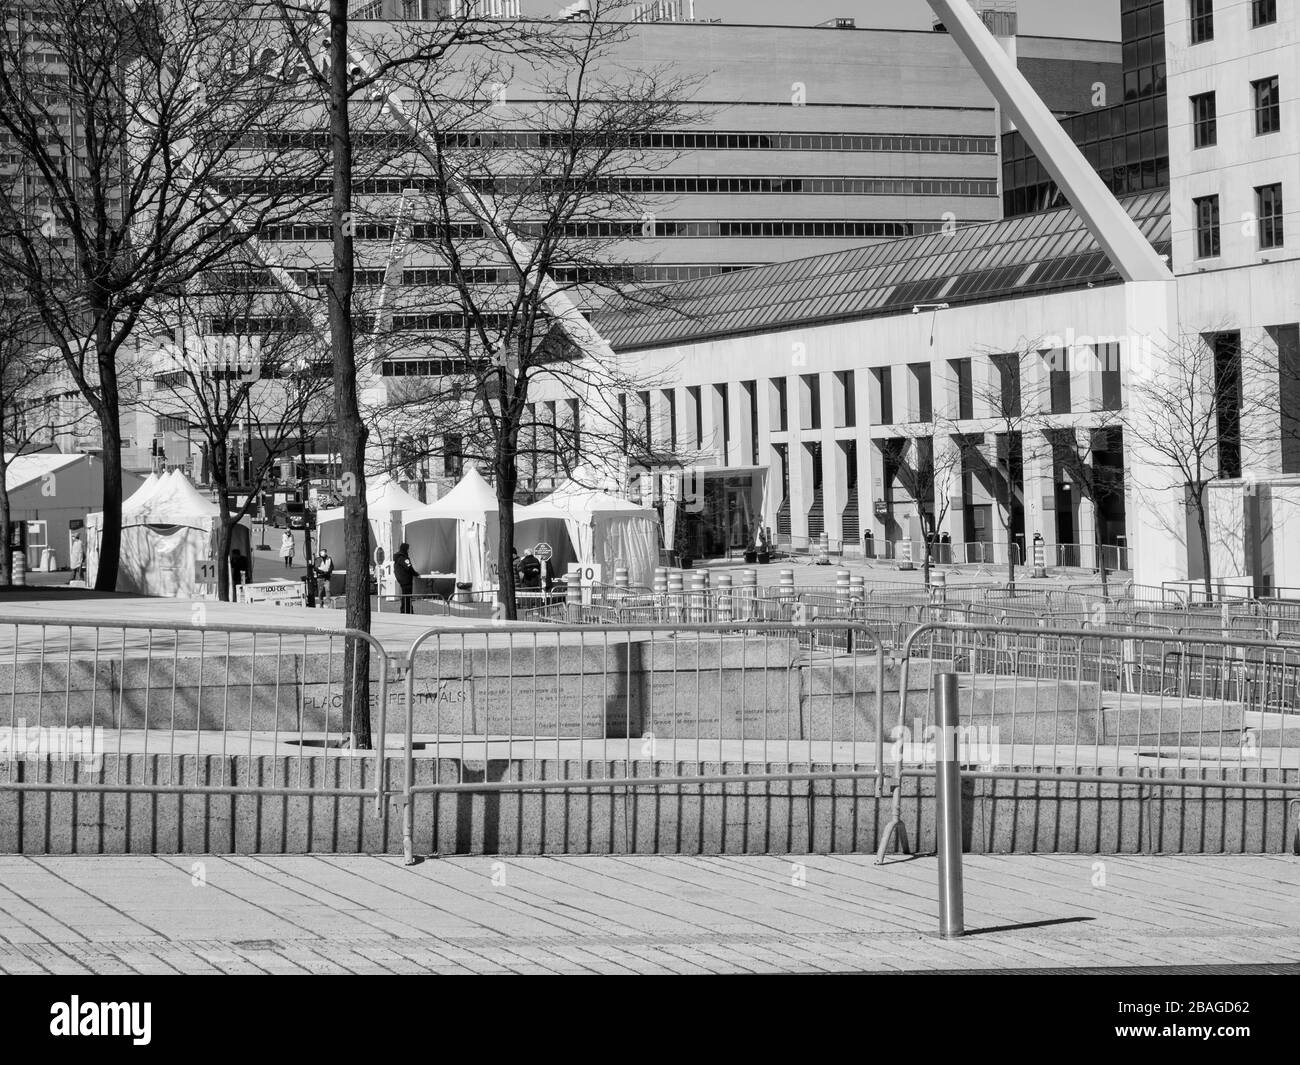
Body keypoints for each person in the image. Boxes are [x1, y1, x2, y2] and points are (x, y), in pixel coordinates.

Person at [393, 541, 416, 614]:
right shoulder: (403, 558)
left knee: (404, 597)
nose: (408, 550)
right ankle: (408, 611)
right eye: (408, 549)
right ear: (405, 549)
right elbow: (409, 567)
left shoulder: (397, 558)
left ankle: (404, 610)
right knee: (407, 597)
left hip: (402, 581)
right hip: (406, 580)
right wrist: (415, 573)